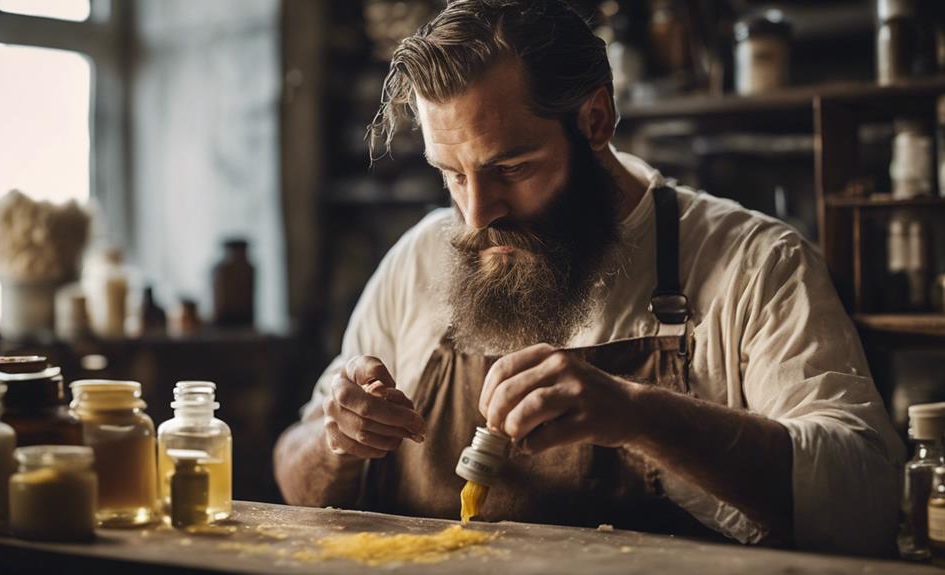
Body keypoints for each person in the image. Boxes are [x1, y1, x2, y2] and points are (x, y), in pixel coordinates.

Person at [274, 0, 903, 556]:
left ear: (596, 119)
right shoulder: (420, 260)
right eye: (453, 174)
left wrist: (640, 417)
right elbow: (292, 473)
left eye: (512, 169)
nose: (475, 214)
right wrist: (337, 436)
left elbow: (866, 507)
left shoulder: (753, 262)